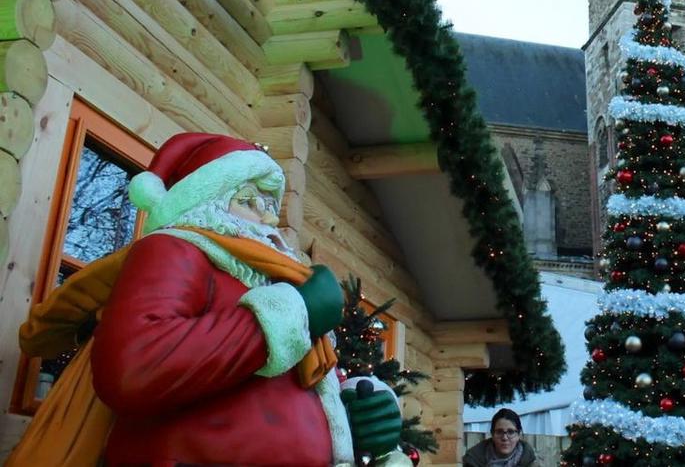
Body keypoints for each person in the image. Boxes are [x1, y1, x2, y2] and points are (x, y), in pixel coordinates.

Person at [9, 133, 407, 466]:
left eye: (271, 205)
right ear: (205, 203)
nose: (269, 220)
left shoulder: (269, 281)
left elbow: (300, 384)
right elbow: (135, 367)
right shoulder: (174, 251)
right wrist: (295, 312)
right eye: (250, 200)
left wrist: (360, 410)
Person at [464, 408, 542, 467]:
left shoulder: (531, 461)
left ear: (519, 435)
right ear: (492, 434)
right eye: (499, 432)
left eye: (511, 432)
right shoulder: (473, 460)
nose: (504, 438)